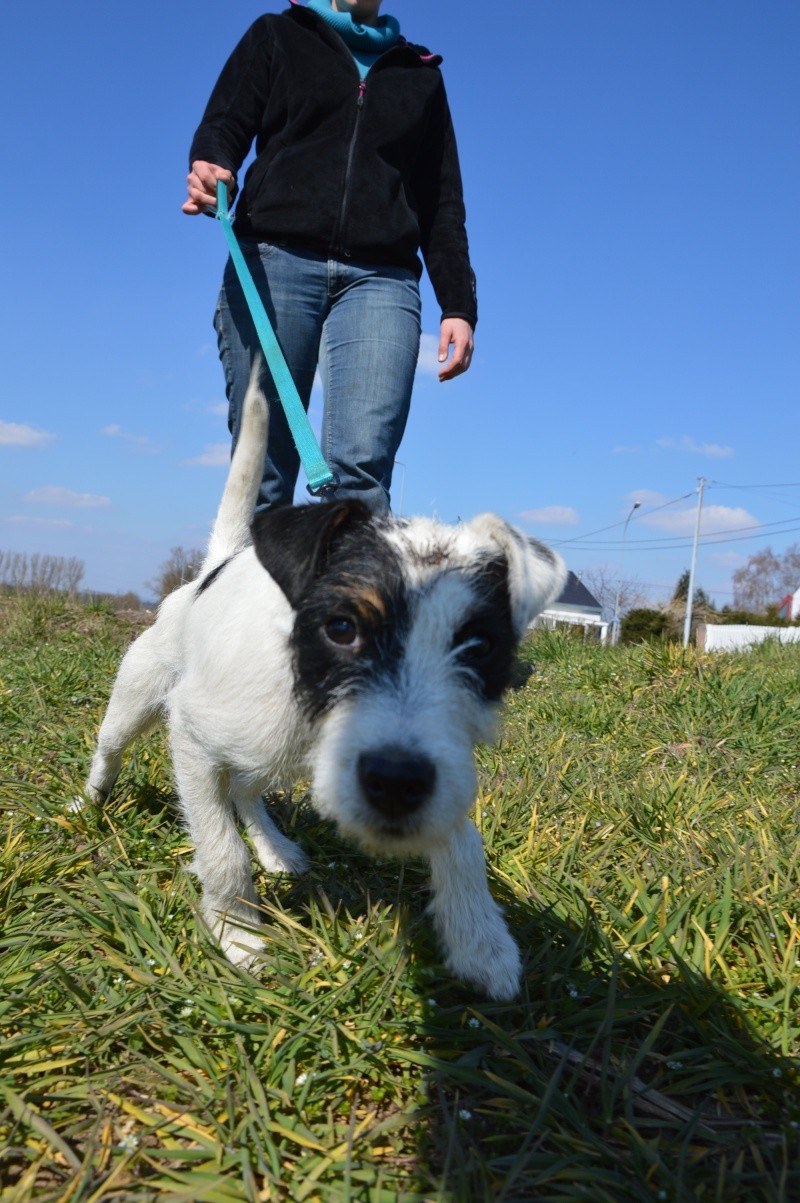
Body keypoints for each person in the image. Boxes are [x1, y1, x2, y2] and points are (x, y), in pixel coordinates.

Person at [183, 0, 477, 514]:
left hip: (381, 281)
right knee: (262, 469)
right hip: (274, 260)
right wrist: (212, 164)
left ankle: (340, 596)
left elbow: (441, 200)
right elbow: (224, 125)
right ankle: (252, 596)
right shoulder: (277, 34)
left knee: (361, 481)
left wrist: (458, 304)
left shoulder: (420, 74)